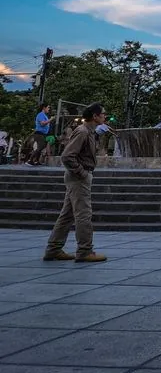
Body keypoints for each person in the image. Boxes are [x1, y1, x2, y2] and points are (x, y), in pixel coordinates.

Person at [43, 102, 106, 262]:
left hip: (78, 177)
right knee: (84, 214)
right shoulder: (83, 132)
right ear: (95, 116)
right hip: (78, 178)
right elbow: (67, 156)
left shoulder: (89, 132)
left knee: (67, 215)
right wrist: (82, 173)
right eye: (103, 114)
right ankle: (85, 251)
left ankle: (54, 249)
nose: (105, 116)